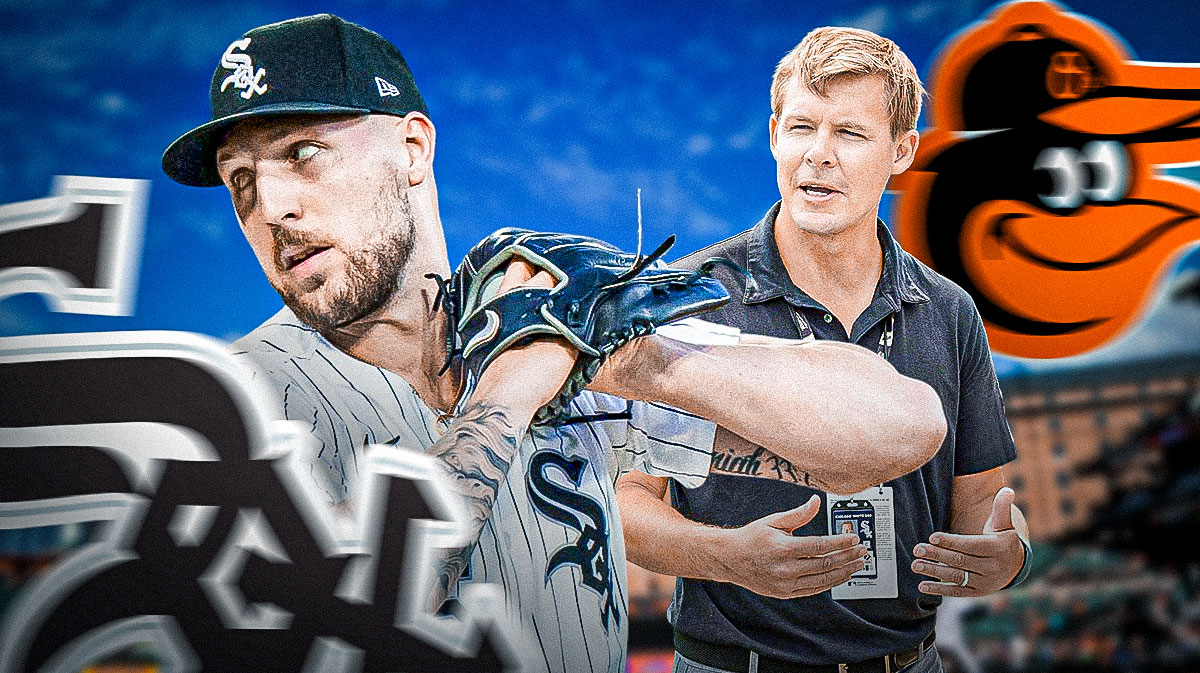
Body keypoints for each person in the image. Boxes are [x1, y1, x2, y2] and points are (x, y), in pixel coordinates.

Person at [161, 15, 947, 673]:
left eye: (304, 153)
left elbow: (901, 429)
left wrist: (645, 362)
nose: (271, 208)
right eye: (241, 182)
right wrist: (509, 392)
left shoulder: (536, 318)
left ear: (412, 150)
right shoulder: (233, 405)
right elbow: (352, 619)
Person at [617, 26, 1031, 673]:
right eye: (803, 127)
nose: (819, 154)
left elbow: (982, 511)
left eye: (849, 133)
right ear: (774, 133)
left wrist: (1011, 556)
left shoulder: (951, 313)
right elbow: (625, 501)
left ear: (902, 150)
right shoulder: (684, 302)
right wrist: (727, 556)